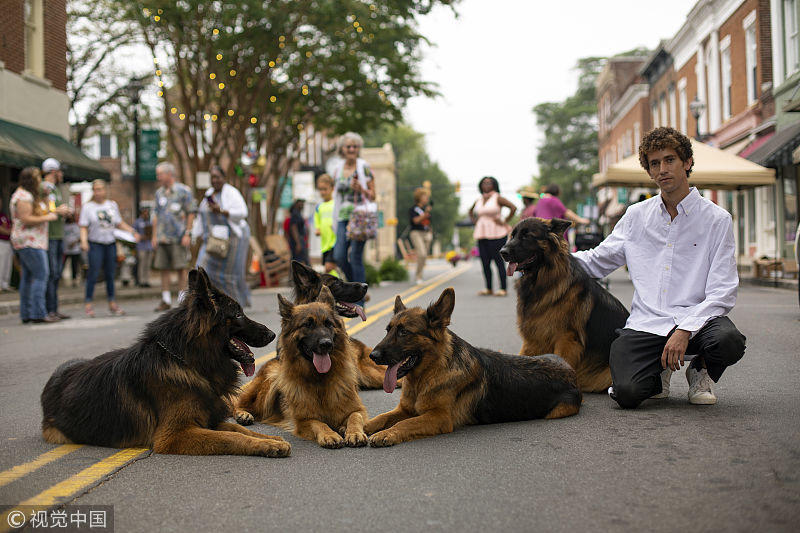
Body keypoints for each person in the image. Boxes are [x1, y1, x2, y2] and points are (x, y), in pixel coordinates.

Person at [573, 127, 746, 408]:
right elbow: (599, 260)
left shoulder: (716, 219)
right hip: (648, 323)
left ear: (687, 162)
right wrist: (550, 257)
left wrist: (685, 329)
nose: (662, 169)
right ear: (649, 171)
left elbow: (723, 291)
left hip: (698, 321)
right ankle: (658, 372)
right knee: (627, 394)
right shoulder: (636, 216)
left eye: (669, 160)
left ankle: (702, 370)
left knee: (728, 340)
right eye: (655, 163)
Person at [11, 167, 69, 323]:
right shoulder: (23, 196)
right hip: (30, 242)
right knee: (41, 275)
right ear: (31, 179)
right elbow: (26, 219)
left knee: (29, 277)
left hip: (33, 242)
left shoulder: (30, 195)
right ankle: (38, 313)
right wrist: (50, 217)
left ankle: (27, 314)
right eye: (37, 177)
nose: (40, 180)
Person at [193, 165, 251, 307]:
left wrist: (222, 211)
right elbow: (201, 217)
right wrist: (194, 235)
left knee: (230, 275)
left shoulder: (231, 193)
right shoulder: (209, 195)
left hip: (233, 241)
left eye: (218, 177)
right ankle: (198, 304)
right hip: (213, 241)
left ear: (224, 178)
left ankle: (235, 304)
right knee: (202, 269)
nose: (215, 180)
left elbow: (243, 213)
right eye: (212, 177)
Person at [79, 179, 138, 317]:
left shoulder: (112, 205)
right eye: (95, 190)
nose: (98, 192)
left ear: (105, 190)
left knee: (110, 275)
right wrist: (84, 241)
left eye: (100, 189)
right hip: (95, 244)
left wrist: (132, 231)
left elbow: (119, 223)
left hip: (110, 243)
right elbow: (83, 226)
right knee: (93, 274)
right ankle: (88, 303)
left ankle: (112, 303)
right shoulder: (88, 207)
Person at [332, 132, 375, 295]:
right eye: (348, 146)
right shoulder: (337, 168)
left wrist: (361, 189)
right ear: (342, 148)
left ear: (359, 149)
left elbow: (373, 195)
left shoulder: (364, 167)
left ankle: (360, 298)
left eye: (355, 146)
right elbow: (335, 194)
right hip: (342, 217)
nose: (351, 149)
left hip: (359, 218)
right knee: (340, 256)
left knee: (356, 257)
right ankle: (355, 288)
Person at [151, 162, 196, 311]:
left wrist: (188, 233)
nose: (158, 177)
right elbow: (156, 214)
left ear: (169, 174)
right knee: (163, 268)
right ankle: (165, 299)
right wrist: (154, 236)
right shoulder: (159, 193)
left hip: (179, 237)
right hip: (163, 237)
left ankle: (182, 300)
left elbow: (191, 212)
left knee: (181, 267)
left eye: (160, 174)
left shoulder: (183, 191)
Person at [470, 176, 516, 297]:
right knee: (485, 262)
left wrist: (505, 220)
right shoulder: (479, 200)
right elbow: (470, 211)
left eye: (489, 183)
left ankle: (503, 288)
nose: (486, 185)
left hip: (497, 233)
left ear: (494, 185)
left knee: (498, 261)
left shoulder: (498, 198)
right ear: (480, 186)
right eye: (484, 183)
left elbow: (513, 208)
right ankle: (488, 288)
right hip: (482, 234)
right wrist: (475, 221)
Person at [41, 158, 72, 320]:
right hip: (50, 236)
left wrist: (64, 212)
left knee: (56, 273)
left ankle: (54, 308)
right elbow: (43, 208)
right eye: (59, 171)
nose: (61, 174)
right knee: (52, 273)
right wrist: (58, 210)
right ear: (54, 172)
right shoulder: (44, 187)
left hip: (58, 235)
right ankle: (49, 310)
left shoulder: (56, 189)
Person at [314, 174, 337, 275]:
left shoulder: (336, 204)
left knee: (328, 268)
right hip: (325, 245)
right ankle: (338, 286)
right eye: (320, 189)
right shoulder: (319, 207)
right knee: (330, 270)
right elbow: (317, 222)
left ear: (332, 188)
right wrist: (318, 229)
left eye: (325, 189)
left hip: (335, 242)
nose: (322, 192)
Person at [409, 187, 433, 284]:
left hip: (426, 233)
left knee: (424, 256)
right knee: (421, 254)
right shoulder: (413, 209)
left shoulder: (425, 209)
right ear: (419, 197)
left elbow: (428, 222)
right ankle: (418, 276)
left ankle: (420, 275)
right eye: (424, 196)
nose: (426, 198)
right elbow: (415, 220)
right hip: (416, 233)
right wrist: (425, 214)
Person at [133, 206, 154, 287]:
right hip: (141, 246)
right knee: (142, 264)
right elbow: (134, 233)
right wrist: (141, 237)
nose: (146, 214)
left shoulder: (150, 222)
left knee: (148, 264)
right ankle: (141, 281)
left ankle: (147, 280)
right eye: (144, 212)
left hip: (149, 245)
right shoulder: (137, 222)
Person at [287, 199, 309, 265]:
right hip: (297, 240)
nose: (302, 205)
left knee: (302, 260)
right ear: (296, 204)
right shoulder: (295, 214)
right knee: (299, 261)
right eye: (301, 203)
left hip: (300, 239)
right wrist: (298, 243)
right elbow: (293, 228)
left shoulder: (298, 213)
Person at [62, 215, 82, 287]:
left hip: (75, 249)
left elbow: (80, 237)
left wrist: (74, 243)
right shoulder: (63, 226)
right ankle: (60, 278)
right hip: (65, 249)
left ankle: (74, 279)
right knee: (62, 264)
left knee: (74, 265)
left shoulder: (76, 226)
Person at [0, 199, 12, 291]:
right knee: (1, 263)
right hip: (1, 241)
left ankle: (5, 284)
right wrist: (10, 232)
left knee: (7, 263)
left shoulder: (3, 215)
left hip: (8, 241)